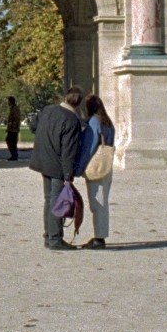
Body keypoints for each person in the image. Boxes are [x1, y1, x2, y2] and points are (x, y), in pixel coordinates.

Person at [28, 87, 84, 251]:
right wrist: (69, 175)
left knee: (48, 200)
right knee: (57, 202)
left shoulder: (48, 110)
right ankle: (55, 239)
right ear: (78, 103)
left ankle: (49, 235)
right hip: (58, 166)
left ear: (65, 97)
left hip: (43, 161)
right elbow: (69, 151)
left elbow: (32, 126)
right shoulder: (72, 120)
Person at [72, 94, 116, 249]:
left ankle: (99, 238)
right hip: (107, 166)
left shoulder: (94, 122)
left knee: (97, 203)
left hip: (95, 166)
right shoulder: (108, 122)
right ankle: (100, 235)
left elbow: (88, 148)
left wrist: (77, 170)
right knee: (102, 202)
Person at [4, 96, 22, 161]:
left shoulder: (15, 109)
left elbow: (16, 119)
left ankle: (14, 156)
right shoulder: (12, 108)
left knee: (12, 142)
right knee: (10, 141)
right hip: (11, 129)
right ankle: (13, 155)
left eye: (8, 101)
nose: (7, 102)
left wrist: (13, 126)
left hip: (13, 130)